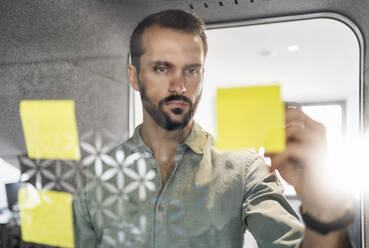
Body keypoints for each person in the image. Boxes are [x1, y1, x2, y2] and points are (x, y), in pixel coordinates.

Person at [73, 9, 354, 248]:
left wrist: (323, 203)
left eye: (191, 70)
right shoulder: (93, 179)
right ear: (134, 78)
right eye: (162, 68)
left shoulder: (245, 170)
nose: (180, 86)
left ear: (203, 74)